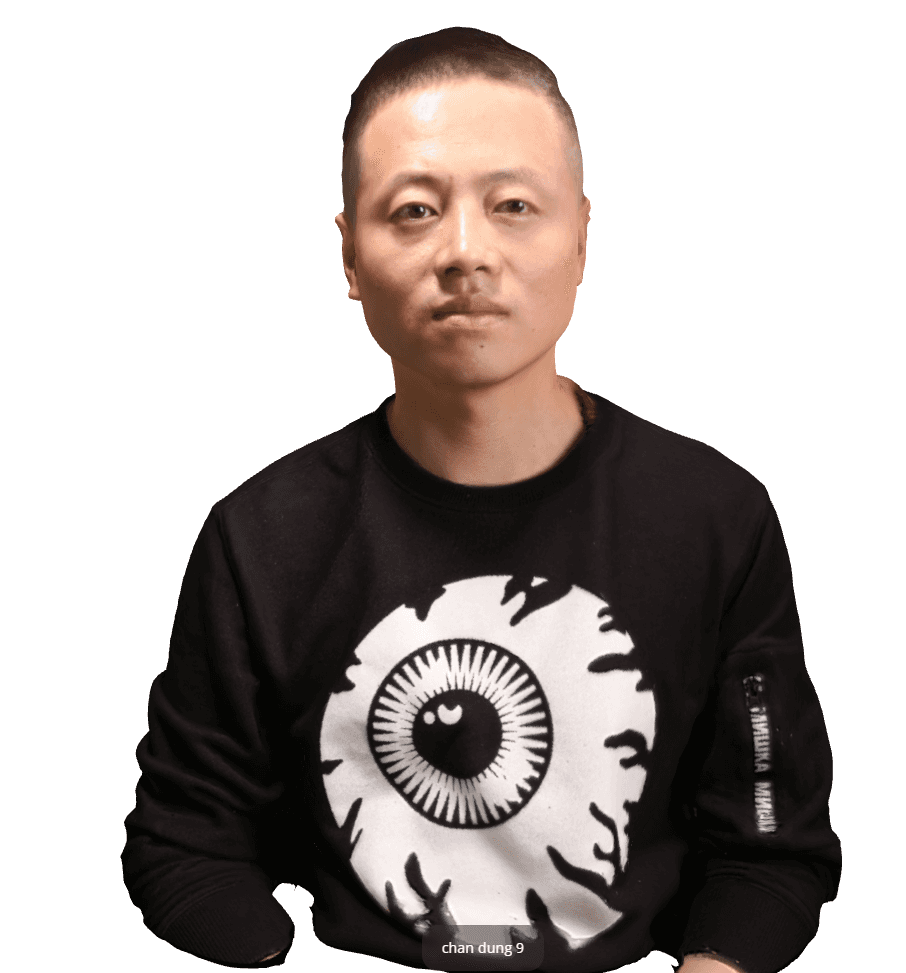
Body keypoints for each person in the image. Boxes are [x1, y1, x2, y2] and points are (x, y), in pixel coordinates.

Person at [121, 26, 841, 973]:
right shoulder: (260, 539)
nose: (466, 251)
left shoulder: (715, 520)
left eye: (513, 206)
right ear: (350, 257)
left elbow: (769, 846)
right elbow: (185, 839)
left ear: (581, 236)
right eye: (414, 210)